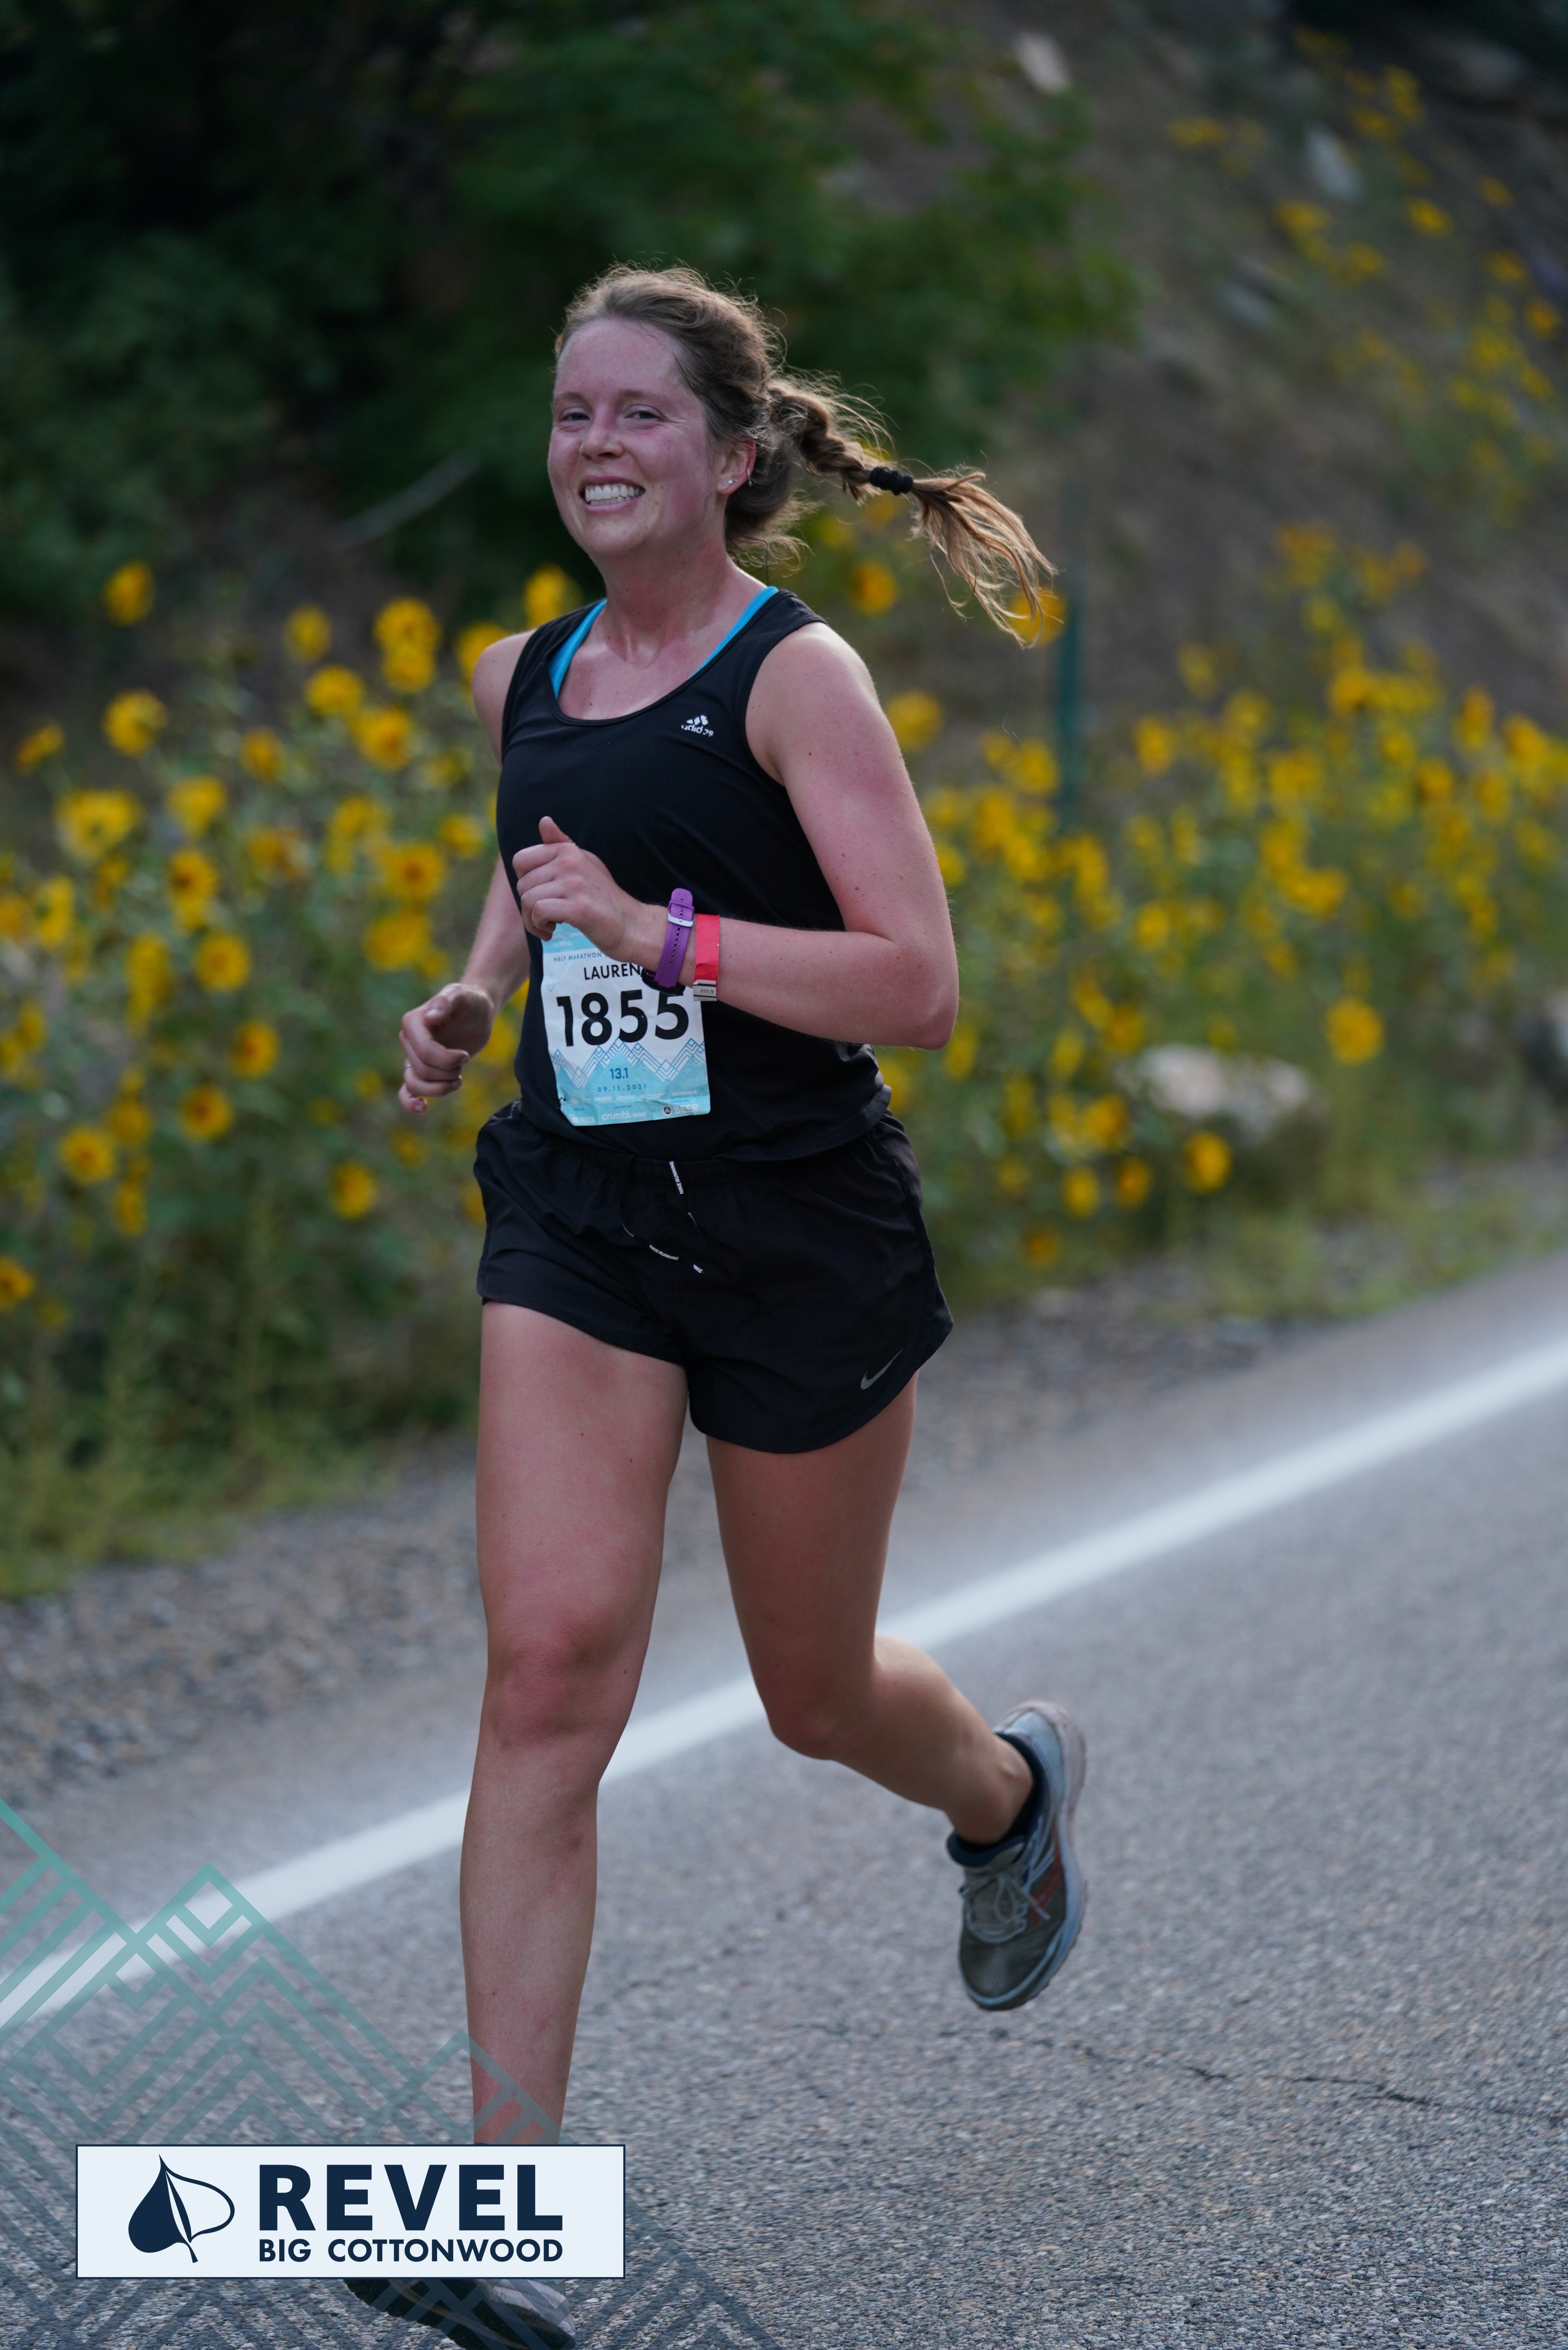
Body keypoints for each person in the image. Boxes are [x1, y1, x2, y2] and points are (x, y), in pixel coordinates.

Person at [355, 266, 1086, 2350]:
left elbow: (914, 984)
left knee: (813, 1689)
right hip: (581, 1215)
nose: (593, 443)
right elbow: (544, 851)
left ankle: (1008, 1794)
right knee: (546, 1675)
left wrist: (658, 934)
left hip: (792, 1226)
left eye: (638, 413)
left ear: (734, 453)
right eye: (570, 412)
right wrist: (477, 989)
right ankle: (493, 2218)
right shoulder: (519, 673)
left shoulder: (797, 677)